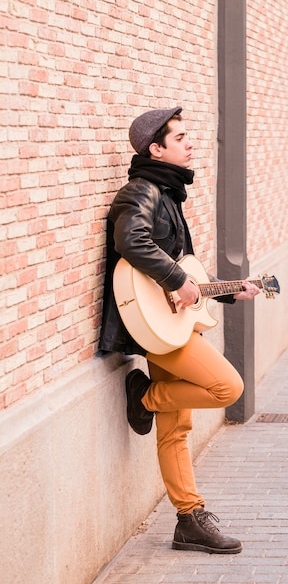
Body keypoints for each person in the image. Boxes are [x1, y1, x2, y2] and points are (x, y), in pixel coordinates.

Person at [99, 106, 260, 554]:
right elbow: (131, 241)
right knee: (228, 387)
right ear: (156, 148)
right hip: (157, 330)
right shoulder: (141, 191)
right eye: (181, 137)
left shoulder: (167, 193)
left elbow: (186, 276)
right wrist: (177, 281)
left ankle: (188, 519)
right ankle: (145, 397)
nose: (191, 143)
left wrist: (229, 292)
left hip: (170, 323)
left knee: (176, 431)